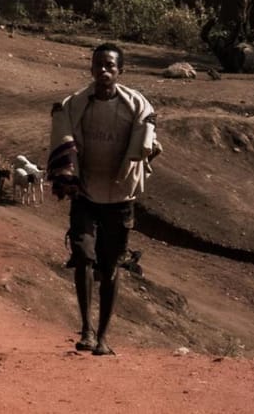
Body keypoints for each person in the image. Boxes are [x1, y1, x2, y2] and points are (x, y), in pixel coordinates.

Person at [47, 43, 161, 357]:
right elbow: (61, 132)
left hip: (120, 196)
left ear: (120, 71)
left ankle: (103, 337)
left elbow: (148, 140)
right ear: (91, 68)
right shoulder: (75, 104)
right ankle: (85, 329)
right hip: (84, 193)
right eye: (98, 65)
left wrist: (148, 150)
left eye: (110, 66)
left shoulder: (136, 106)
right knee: (83, 256)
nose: (103, 71)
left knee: (110, 267)